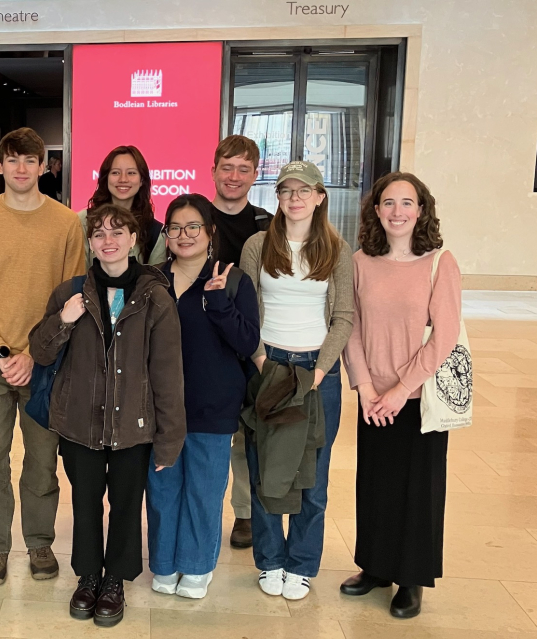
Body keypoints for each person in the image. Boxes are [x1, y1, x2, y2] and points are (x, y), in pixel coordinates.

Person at [29, 204, 186, 627]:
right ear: (90, 242)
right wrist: (64, 320)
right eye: (99, 234)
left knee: (125, 504)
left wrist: (170, 438)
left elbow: (168, 373)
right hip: (80, 422)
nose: (108, 241)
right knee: (84, 504)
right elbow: (41, 352)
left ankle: (114, 578)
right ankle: (87, 576)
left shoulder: (154, 297)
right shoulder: (70, 293)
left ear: (135, 240)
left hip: (133, 426)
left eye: (118, 232)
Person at [0, 127, 85, 585]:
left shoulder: (67, 223)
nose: (21, 168)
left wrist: (33, 353)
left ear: (43, 165)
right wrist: (6, 352)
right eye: (12, 160)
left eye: (30, 160)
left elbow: (74, 297)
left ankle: (39, 542)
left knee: (41, 460)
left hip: (47, 363)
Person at [341, 172, 460, 619]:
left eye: (407, 203)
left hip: (417, 397)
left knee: (419, 489)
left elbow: (444, 336)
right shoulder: (359, 262)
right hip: (373, 395)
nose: (397, 212)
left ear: (422, 210)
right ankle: (375, 566)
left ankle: (411, 577)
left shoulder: (439, 262)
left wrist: (400, 390)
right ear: (376, 210)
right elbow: (348, 327)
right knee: (374, 482)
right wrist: (368, 387)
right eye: (388, 203)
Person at [239, 160, 353, 601]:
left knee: (313, 475)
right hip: (269, 365)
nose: (294, 198)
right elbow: (246, 310)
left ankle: (302, 564)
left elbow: (343, 317)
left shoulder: (337, 250)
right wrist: (262, 360)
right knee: (264, 466)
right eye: (286, 191)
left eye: (303, 191)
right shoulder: (257, 245)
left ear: (319, 197)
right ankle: (269, 559)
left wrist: (319, 371)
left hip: (317, 370)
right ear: (278, 198)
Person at [147, 193, 260, 599]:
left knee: (204, 490)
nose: (184, 234)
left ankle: (196, 566)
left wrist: (217, 303)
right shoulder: (151, 279)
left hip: (213, 405)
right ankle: (163, 563)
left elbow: (248, 340)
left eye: (193, 226)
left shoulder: (230, 279)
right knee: (162, 490)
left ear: (210, 232)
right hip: (159, 408)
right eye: (175, 227)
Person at [208, 134, 272, 549]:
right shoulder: (193, 215)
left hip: (249, 343)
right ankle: (205, 508)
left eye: (243, 169)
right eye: (227, 167)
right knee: (207, 434)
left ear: (255, 174)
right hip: (203, 343)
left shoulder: (267, 225)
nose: (234, 177)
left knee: (248, 433)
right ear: (213, 170)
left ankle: (245, 513)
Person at [76, 146, 166, 268]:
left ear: (142, 180)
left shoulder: (154, 231)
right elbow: (77, 273)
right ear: (105, 178)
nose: (123, 179)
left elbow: (155, 282)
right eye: (115, 173)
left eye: (131, 173)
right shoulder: (84, 220)